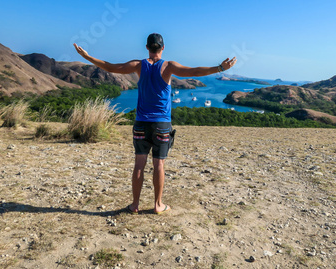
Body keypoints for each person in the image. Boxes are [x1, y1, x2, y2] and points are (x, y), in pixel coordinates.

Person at [73, 33, 237, 214]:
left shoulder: (138, 65)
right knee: (159, 165)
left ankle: (135, 204)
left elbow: (111, 67)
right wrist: (220, 67)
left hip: (141, 124)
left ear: (147, 48)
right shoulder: (168, 66)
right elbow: (195, 71)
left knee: (139, 164)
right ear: (163, 48)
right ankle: (158, 205)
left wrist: (87, 57)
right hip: (162, 125)